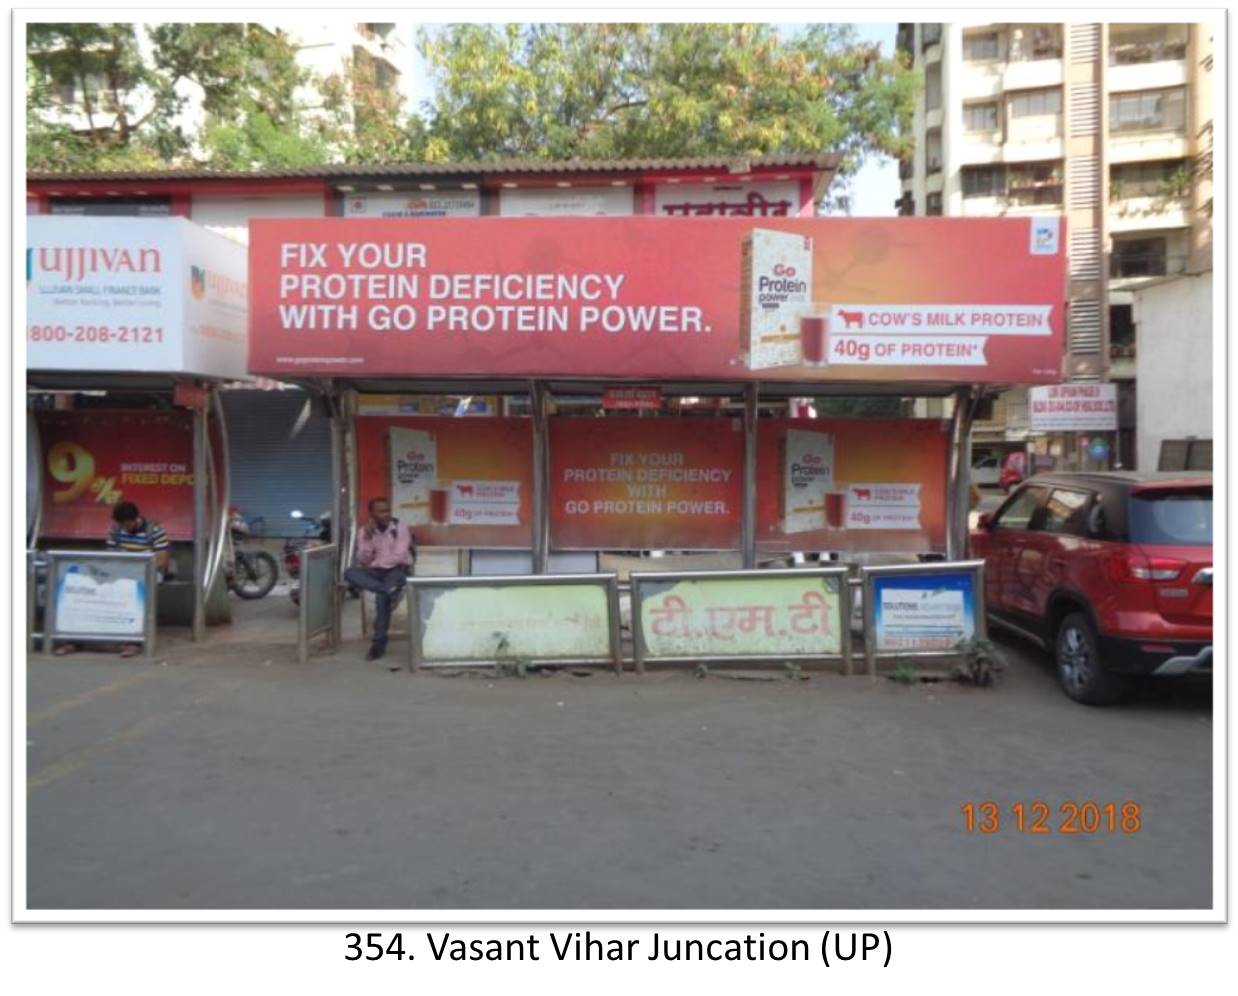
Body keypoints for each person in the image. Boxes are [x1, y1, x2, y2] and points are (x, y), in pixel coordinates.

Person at [54, 501, 172, 658]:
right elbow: (111, 557)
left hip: (147, 573)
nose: (124, 528)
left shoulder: (155, 531)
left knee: (134, 595)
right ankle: (74, 638)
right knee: (87, 590)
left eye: (127, 524)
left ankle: (132, 642)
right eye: (121, 524)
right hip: (120, 572)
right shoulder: (116, 531)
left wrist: (135, 571)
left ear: (135, 518)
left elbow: (162, 561)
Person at [345, 497, 415, 662]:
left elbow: (399, 556)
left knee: (381, 600)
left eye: (388, 510)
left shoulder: (400, 528)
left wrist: (378, 565)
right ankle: (389, 590)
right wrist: (368, 539)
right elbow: (363, 560)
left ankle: (378, 646)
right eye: (381, 511)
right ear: (372, 513)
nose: (386, 514)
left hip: (398, 570)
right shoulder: (365, 531)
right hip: (377, 572)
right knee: (350, 573)